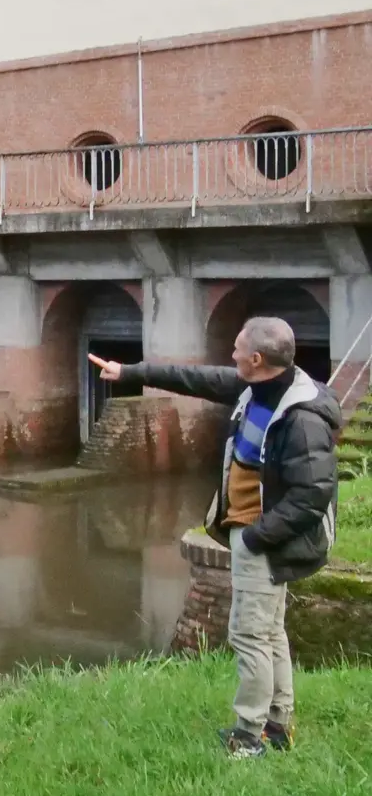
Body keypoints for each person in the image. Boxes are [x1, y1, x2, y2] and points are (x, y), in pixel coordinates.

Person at [88, 316, 340, 759]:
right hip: (252, 528)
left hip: (264, 536)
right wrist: (129, 372)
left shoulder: (302, 419)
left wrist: (258, 538)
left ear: (257, 359)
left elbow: (311, 496)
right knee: (269, 632)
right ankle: (278, 725)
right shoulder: (257, 387)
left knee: (248, 636)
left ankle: (250, 736)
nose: (232, 354)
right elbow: (194, 378)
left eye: (238, 348)